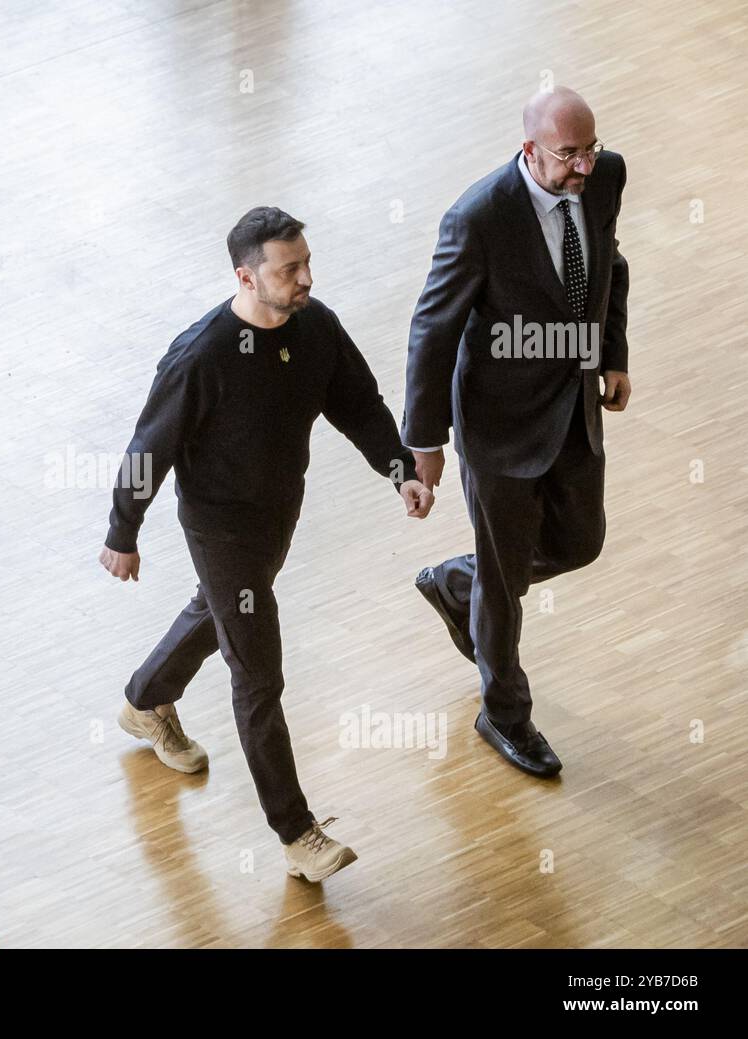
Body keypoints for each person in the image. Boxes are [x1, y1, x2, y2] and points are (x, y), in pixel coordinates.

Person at [99, 206, 434, 883]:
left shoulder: (316, 328)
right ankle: (297, 833)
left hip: (278, 510)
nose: (307, 277)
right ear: (247, 277)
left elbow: (358, 403)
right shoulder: (202, 355)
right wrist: (122, 533)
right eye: (291, 269)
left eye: (307, 262)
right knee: (258, 673)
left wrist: (399, 469)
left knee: (218, 613)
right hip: (218, 525)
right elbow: (147, 448)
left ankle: (145, 700)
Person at [402, 87, 632, 778]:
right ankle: (504, 713)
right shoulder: (477, 218)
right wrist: (424, 444)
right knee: (506, 586)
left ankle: (458, 583)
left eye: (590, 150)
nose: (584, 167)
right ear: (530, 149)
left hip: (573, 406)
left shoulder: (607, 175)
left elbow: (609, 266)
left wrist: (613, 352)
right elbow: (432, 330)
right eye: (569, 155)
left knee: (580, 541)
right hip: (498, 424)